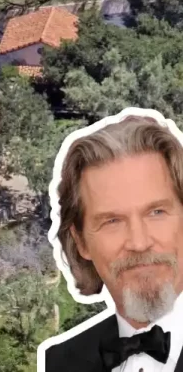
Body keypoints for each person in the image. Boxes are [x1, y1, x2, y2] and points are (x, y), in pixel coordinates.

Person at [43, 114, 183, 372]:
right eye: (112, 221)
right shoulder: (59, 362)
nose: (139, 243)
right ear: (81, 241)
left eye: (157, 213)